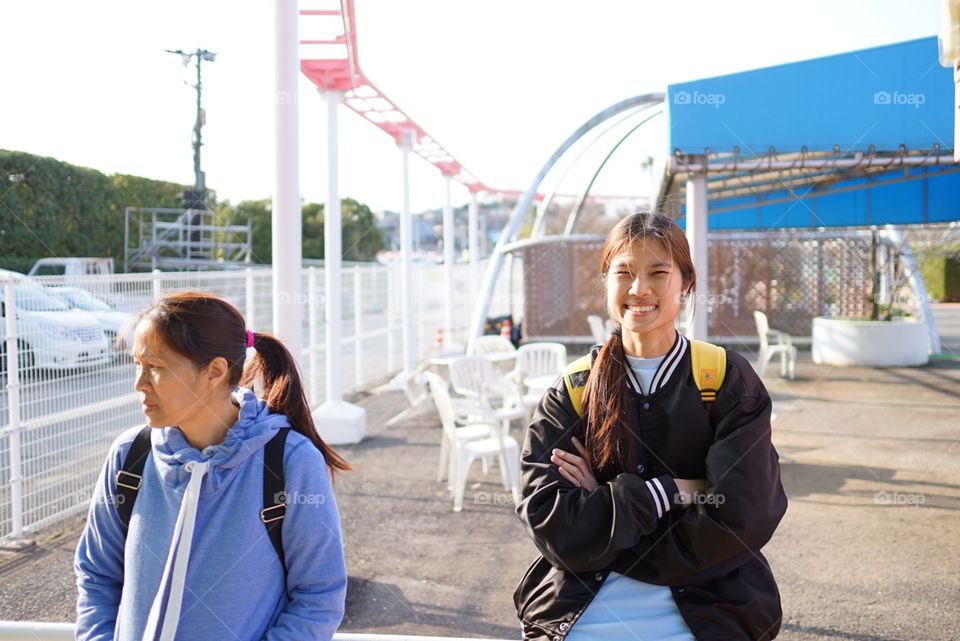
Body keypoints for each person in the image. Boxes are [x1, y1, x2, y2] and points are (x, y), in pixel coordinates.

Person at [513, 212, 788, 641]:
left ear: (686, 282)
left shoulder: (724, 379)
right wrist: (674, 490)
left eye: (658, 272)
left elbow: (743, 517)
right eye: (624, 273)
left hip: (709, 616)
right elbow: (552, 525)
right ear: (606, 281)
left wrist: (605, 513)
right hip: (577, 617)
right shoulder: (573, 390)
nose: (639, 289)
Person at [75, 292, 350, 641]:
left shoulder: (289, 461)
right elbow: (96, 574)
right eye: (137, 365)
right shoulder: (130, 455)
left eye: (156, 367)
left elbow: (318, 595)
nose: (139, 383)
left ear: (215, 372)